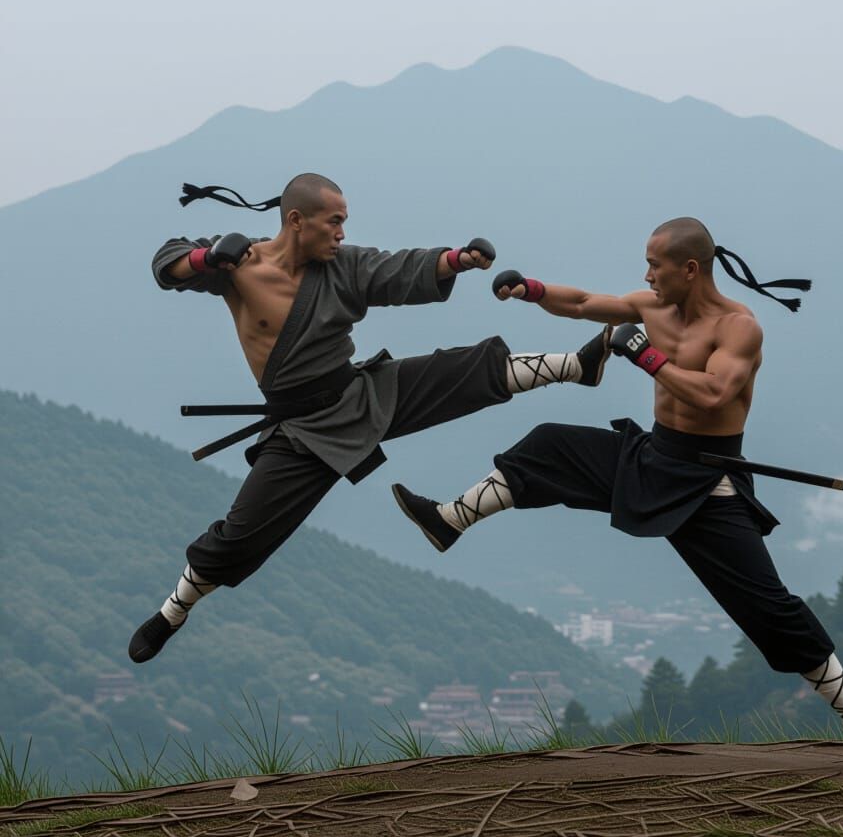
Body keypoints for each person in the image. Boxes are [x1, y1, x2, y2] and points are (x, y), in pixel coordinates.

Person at [391, 216, 843, 774]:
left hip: (707, 481)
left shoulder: (739, 327)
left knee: (770, 609)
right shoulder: (653, 309)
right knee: (547, 446)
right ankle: (450, 519)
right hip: (654, 457)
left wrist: (645, 356)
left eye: (656, 265)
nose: (647, 274)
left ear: (690, 269)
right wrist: (530, 291)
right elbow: (583, 303)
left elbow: (713, 393)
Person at [128, 173, 612, 663]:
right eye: (333, 222)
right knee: (239, 537)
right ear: (296, 221)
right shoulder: (238, 263)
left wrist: (455, 261)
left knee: (463, 371)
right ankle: (172, 613)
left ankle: (578, 365)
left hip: (360, 392)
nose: (341, 233)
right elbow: (166, 262)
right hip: (302, 432)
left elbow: (395, 269)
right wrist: (205, 258)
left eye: (345, 223)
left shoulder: (345, 265)